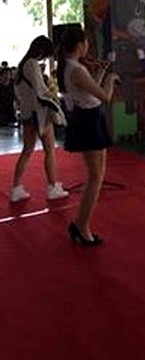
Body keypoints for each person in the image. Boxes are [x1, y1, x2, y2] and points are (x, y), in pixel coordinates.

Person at [58, 26, 118, 246]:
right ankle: (81, 226)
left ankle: (81, 224)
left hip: (90, 116)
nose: (88, 46)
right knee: (95, 178)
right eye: (86, 42)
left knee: (97, 176)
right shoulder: (76, 69)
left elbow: (91, 92)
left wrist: (101, 73)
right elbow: (104, 96)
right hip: (89, 119)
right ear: (79, 45)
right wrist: (111, 78)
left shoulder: (73, 67)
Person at [10, 36, 70, 203]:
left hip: (28, 114)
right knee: (50, 150)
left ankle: (16, 187)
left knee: (27, 150)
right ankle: (52, 187)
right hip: (40, 114)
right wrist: (54, 97)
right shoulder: (32, 64)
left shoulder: (22, 66)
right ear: (42, 51)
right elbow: (40, 90)